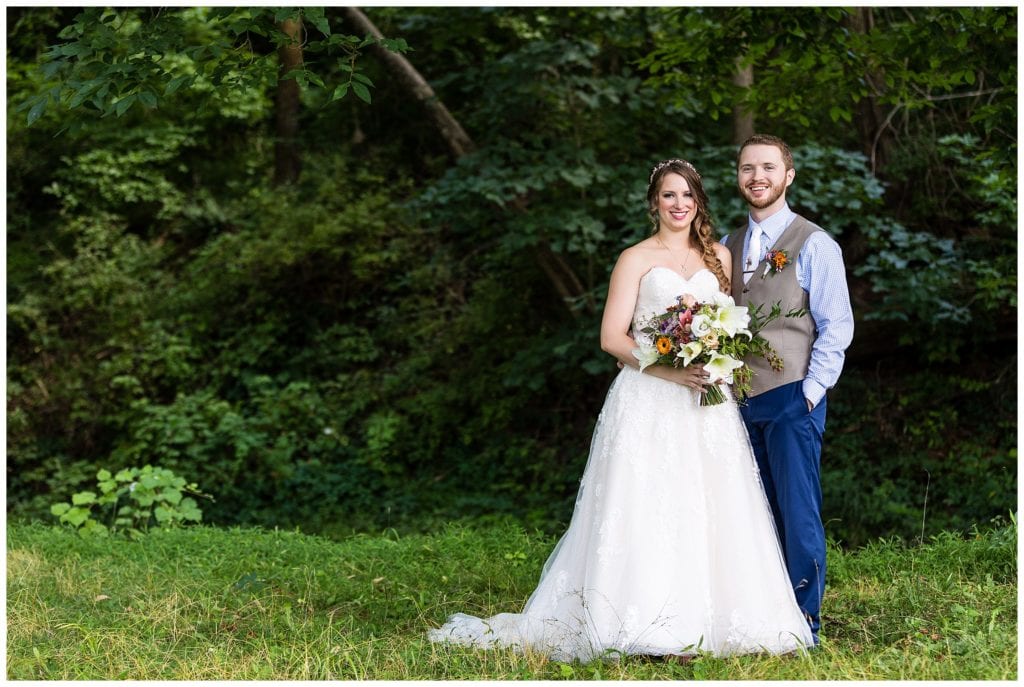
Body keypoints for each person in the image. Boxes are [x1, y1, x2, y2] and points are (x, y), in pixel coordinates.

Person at [428, 159, 814, 662]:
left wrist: (713, 358)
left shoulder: (718, 255)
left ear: (699, 202)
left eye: (688, 196)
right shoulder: (634, 258)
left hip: (707, 402)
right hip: (649, 398)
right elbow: (612, 337)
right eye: (669, 196)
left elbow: (729, 325)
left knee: (711, 505)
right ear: (654, 201)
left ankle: (723, 622)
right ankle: (647, 625)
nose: (679, 205)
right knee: (648, 507)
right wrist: (671, 369)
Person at [726, 134, 855, 645]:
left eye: (768, 167)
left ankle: (804, 622)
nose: (757, 176)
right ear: (738, 177)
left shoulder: (814, 243)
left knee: (796, 509)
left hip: (790, 395)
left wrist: (810, 392)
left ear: (788, 175)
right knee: (747, 510)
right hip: (734, 401)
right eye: (747, 168)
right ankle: (759, 614)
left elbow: (836, 324)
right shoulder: (727, 247)